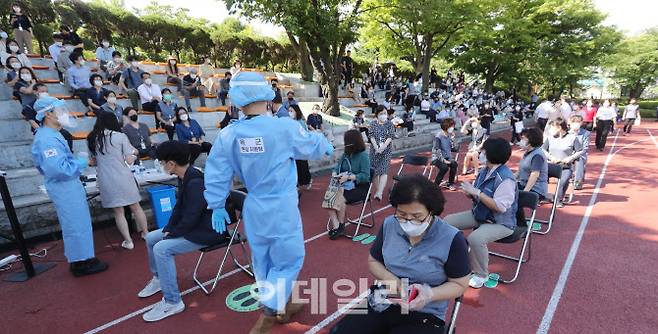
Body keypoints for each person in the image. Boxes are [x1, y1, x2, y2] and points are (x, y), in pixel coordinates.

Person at [204, 71, 332, 333]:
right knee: (288, 258)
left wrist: (216, 205)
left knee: (262, 258)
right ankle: (271, 310)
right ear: (267, 94)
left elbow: (216, 172)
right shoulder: (283, 127)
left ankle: (281, 304)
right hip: (281, 205)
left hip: (254, 205)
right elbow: (312, 145)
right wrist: (324, 143)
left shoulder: (229, 135)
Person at [330, 175, 470, 334]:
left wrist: (429, 294)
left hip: (424, 313)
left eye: (417, 216)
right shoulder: (390, 224)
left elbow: (460, 284)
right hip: (383, 301)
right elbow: (374, 261)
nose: (408, 221)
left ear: (432, 211)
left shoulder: (452, 239)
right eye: (402, 214)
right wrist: (390, 278)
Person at [139, 140, 226, 322]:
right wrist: (170, 229)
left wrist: (174, 233)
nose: (161, 165)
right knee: (151, 238)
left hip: (207, 231)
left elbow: (191, 216)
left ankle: (173, 301)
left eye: (162, 162)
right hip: (194, 226)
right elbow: (179, 208)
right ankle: (158, 279)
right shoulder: (184, 176)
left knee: (161, 249)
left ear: (171, 163)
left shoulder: (194, 180)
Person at [32, 102, 108, 277]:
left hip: (68, 185)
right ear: (49, 114)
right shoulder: (47, 139)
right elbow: (57, 169)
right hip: (64, 186)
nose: (64, 114)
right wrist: (79, 163)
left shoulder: (51, 135)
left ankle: (84, 257)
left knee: (79, 222)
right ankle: (81, 263)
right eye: (60, 110)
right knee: (75, 224)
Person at [444, 137, 517, 288]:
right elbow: (478, 197)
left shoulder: (506, 179)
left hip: (500, 222)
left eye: (483, 151)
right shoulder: (485, 171)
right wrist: (470, 193)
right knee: (447, 223)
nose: (480, 153)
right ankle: (457, 257)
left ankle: (481, 274)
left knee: (476, 238)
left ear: (492, 154)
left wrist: (476, 193)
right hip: (481, 214)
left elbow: (500, 207)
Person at [87, 112, 149, 250]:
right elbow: (128, 159)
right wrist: (135, 153)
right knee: (136, 207)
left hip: (106, 178)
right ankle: (146, 233)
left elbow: (92, 162)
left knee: (118, 212)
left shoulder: (92, 138)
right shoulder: (120, 136)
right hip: (123, 176)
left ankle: (128, 241)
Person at [325, 129, 370, 239]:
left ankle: (340, 224)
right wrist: (335, 173)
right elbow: (337, 167)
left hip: (360, 187)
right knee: (329, 196)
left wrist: (350, 177)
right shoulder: (346, 154)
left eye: (347, 141)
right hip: (345, 184)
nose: (345, 144)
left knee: (340, 197)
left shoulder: (363, 156)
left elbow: (366, 176)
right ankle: (337, 225)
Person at [542, 118, 583, 208]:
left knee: (563, 181)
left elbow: (580, 151)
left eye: (552, 128)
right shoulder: (550, 138)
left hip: (565, 166)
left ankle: (558, 200)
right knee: (537, 177)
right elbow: (543, 149)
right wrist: (550, 157)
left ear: (559, 127)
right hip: (550, 165)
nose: (550, 130)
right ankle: (541, 196)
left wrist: (570, 158)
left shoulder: (572, 138)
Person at [369, 106, 395, 201]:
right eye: (381, 114)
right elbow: (371, 136)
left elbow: (390, 136)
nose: (383, 115)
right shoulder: (372, 124)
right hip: (374, 151)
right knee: (375, 171)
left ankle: (379, 193)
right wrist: (377, 148)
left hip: (386, 151)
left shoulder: (390, 124)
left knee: (383, 170)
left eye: (385, 113)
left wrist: (383, 147)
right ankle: (378, 189)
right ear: (377, 115)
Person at [517, 127, 548, 200]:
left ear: (531, 140)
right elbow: (519, 172)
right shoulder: (527, 153)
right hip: (523, 184)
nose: (521, 140)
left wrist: (525, 192)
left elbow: (534, 175)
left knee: (512, 197)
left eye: (523, 139)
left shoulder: (537, 155)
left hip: (536, 189)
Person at [290, 104, 313, 189]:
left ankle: (307, 180)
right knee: (295, 166)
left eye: (291, 111)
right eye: (289, 111)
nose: (290, 113)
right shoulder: (290, 122)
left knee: (303, 165)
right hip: (293, 148)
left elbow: (305, 135)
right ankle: (298, 183)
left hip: (301, 148)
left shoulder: (301, 122)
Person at [432, 118, 458, 191]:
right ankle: (435, 186)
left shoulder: (449, 136)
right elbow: (437, 150)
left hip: (447, 157)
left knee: (454, 164)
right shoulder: (438, 136)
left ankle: (450, 183)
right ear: (447, 127)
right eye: (451, 126)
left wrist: (453, 139)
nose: (452, 128)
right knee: (444, 167)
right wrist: (443, 160)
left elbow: (455, 148)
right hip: (437, 158)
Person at [569, 115, 590, 190]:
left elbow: (585, 148)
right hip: (568, 154)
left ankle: (578, 182)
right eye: (574, 122)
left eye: (578, 122)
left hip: (580, 154)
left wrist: (575, 155)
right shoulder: (566, 133)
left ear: (581, 123)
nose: (576, 124)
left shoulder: (586, 133)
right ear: (570, 123)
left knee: (579, 160)